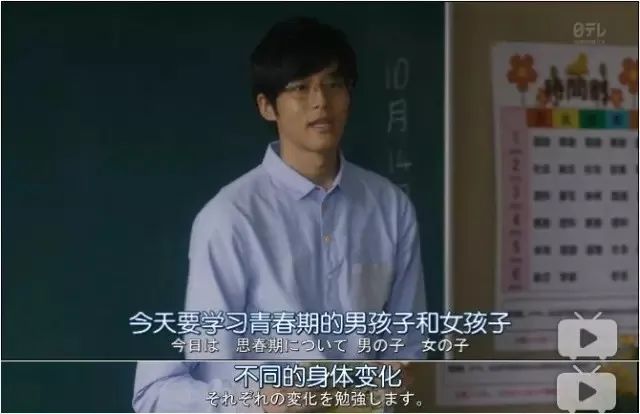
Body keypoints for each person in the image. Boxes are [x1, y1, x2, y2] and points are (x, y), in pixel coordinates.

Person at [133, 16, 426, 412]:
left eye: (334, 84)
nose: (321, 101)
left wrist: (393, 374)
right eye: (300, 87)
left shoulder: (391, 208)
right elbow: (164, 391)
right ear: (267, 107)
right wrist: (262, 403)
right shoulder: (229, 220)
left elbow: (407, 346)